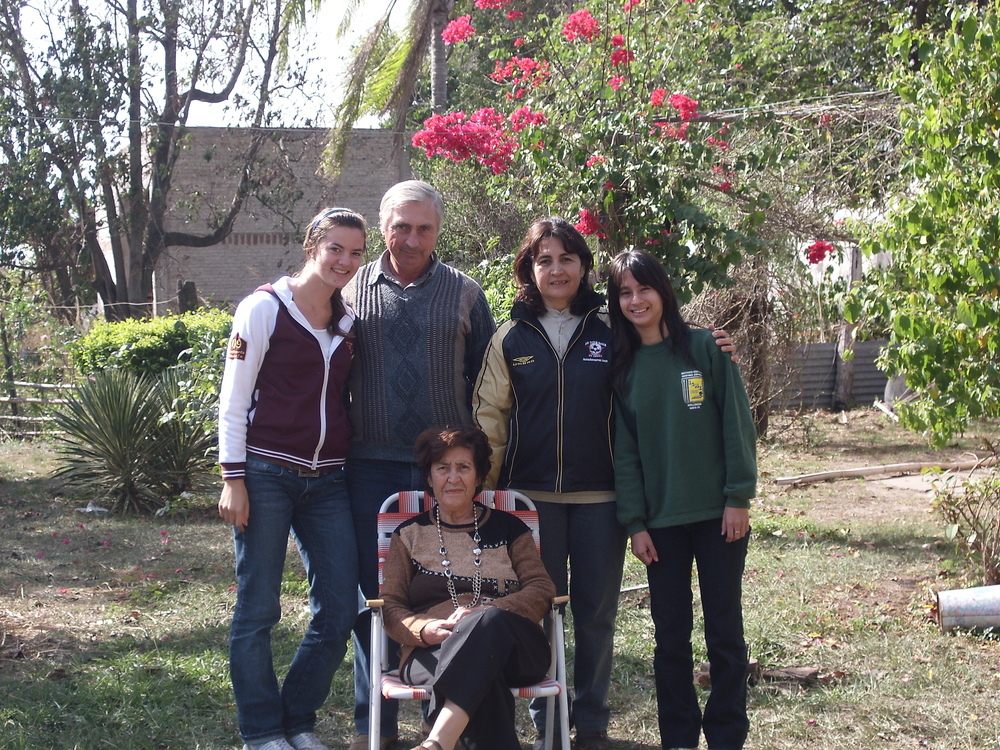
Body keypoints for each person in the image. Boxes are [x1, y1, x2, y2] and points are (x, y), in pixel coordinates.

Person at [473, 218, 734, 750]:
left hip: (602, 498)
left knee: (595, 613)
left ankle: (591, 722)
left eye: (567, 258)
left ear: (584, 266)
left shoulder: (612, 328)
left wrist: (711, 343)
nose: (557, 269)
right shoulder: (510, 336)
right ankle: (549, 721)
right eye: (544, 260)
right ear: (528, 270)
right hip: (531, 500)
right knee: (540, 611)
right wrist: (488, 494)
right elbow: (489, 420)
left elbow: (664, 344)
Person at [343, 180, 496, 750]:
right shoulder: (349, 289)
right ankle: (375, 726)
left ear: (438, 230)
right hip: (369, 468)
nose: (411, 239)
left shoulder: (465, 293)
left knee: (448, 590)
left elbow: (487, 382)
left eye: (423, 228)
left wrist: (477, 465)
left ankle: (442, 721)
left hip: (445, 472)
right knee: (375, 599)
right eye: (400, 227)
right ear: (382, 226)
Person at [217, 208, 368, 750]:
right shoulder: (264, 308)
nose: (345, 261)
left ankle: (297, 720)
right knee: (259, 609)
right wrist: (233, 478)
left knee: (341, 608)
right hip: (265, 473)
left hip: (328, 481)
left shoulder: (347, 323)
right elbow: (234, 399)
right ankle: (261, 732)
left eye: (355, 253)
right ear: (312, 246)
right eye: (335, 249)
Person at [608, 249, 757, 750]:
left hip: (719, 517)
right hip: (660, 524)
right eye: (625, 292)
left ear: (663, 290)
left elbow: (736, 423)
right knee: (670, 637)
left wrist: (738, 497)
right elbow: (626, 453)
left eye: (644, 288)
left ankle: (727, 737)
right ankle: (677, 737)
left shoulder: (705, 347)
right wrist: (635, 524)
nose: (636, 300)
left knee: (724, 633)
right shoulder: (623, 369)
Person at [380, 425, 556, 750]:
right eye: (442, 468)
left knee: (489, 624)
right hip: (433, 651)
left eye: (463, 467)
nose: (453, 478)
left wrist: (486, 613)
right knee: (482, 673)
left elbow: (541, 589)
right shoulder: (408, 535)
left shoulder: (510, 529)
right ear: (429, 477)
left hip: (516, 648)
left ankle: (437, 742)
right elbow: (390, 606)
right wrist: (424, 629)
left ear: (478, 477)